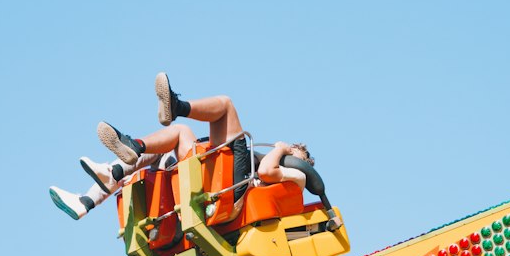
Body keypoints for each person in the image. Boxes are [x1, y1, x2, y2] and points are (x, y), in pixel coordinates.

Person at [49, 73, 315, 221]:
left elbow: (268, 172)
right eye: (292, 150)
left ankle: (177, 108)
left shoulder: (299, 178)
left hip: (233, 195)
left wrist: (281, 150)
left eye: (295, 154)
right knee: (179, 134)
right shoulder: (272, 167)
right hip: (217, 185)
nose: (291, 154)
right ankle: (95, 191)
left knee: (226, 105)